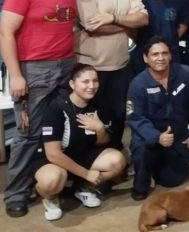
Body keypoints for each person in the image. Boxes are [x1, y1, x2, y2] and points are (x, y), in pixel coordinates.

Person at [1, 0, 77, 218]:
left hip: (65, 66)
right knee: (28, 132)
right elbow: (5, 33)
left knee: (61, 127)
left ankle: (54, 181)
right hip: (34, 69)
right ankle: (17, 194)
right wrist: (16, 75)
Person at [76, 0, 149, 151]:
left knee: (118, 114)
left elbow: (143, 19)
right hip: (91, 66)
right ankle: (91, 160)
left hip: (120, 64)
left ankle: (116, 156)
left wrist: (112, 17)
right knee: (91, 116)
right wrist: (127, 23)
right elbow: (93, 27)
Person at [35, 63, 126, 221]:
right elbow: (53, 154)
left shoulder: (100, 104)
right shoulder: (56, 108)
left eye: (95, 81)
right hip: (55, 160)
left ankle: (84, 188)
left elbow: (103, 142)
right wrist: (87, 174)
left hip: (83, 155)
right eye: (85, 82)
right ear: (72, 84)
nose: (91, 86)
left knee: (118, 160)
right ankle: (51, 199)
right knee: (51, 180)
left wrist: (100, 129)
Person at [126, 38, 189, 201]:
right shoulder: (138, 84)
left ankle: (161, 166)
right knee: (140, 148)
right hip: (149, 135)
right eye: (155, 54)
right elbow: (134, 117)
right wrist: (157, 137)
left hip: (177, 135)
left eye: (164, 53)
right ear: (145, 58)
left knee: (173, 180)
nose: (160, 58)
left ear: (170, 56)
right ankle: (141, 184)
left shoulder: (186, 74)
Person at [134, 0, 189, 73]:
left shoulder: (179, 1)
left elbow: (183, 26)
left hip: (172, 54)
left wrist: (169, 41)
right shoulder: (140, 2)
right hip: (145, 55)